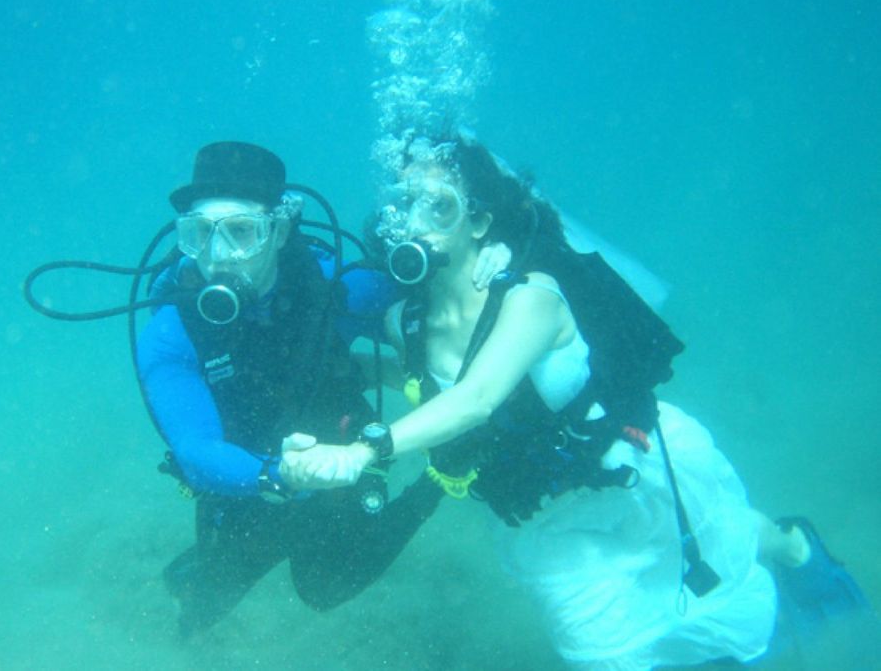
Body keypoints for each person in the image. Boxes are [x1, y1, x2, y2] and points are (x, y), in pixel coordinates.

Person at [280, 132, 875, 669]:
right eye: (405, 204)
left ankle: (800, 551)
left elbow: (478, 397)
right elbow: (420, 377)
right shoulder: (402, 320)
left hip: (634, 471)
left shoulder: (532, 297)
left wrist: (364, 450)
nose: (417, 221)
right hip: (543, 519)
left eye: (440, 205)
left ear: (479, 221)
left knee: (734, 548)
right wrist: (333, 372)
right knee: (604, 650)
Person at [136, 141, 509, 636]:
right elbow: (194, 446)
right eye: (200, 234)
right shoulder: (172, 330)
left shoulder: (333, 290)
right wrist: (278, 477)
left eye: (241, 232)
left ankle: (433, 485)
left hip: (338, 461)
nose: (217, 257)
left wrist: (496, 251)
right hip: (248, 479)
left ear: (280, 230)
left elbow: (437, 290)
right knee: (203, 604)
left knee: (324, 589)